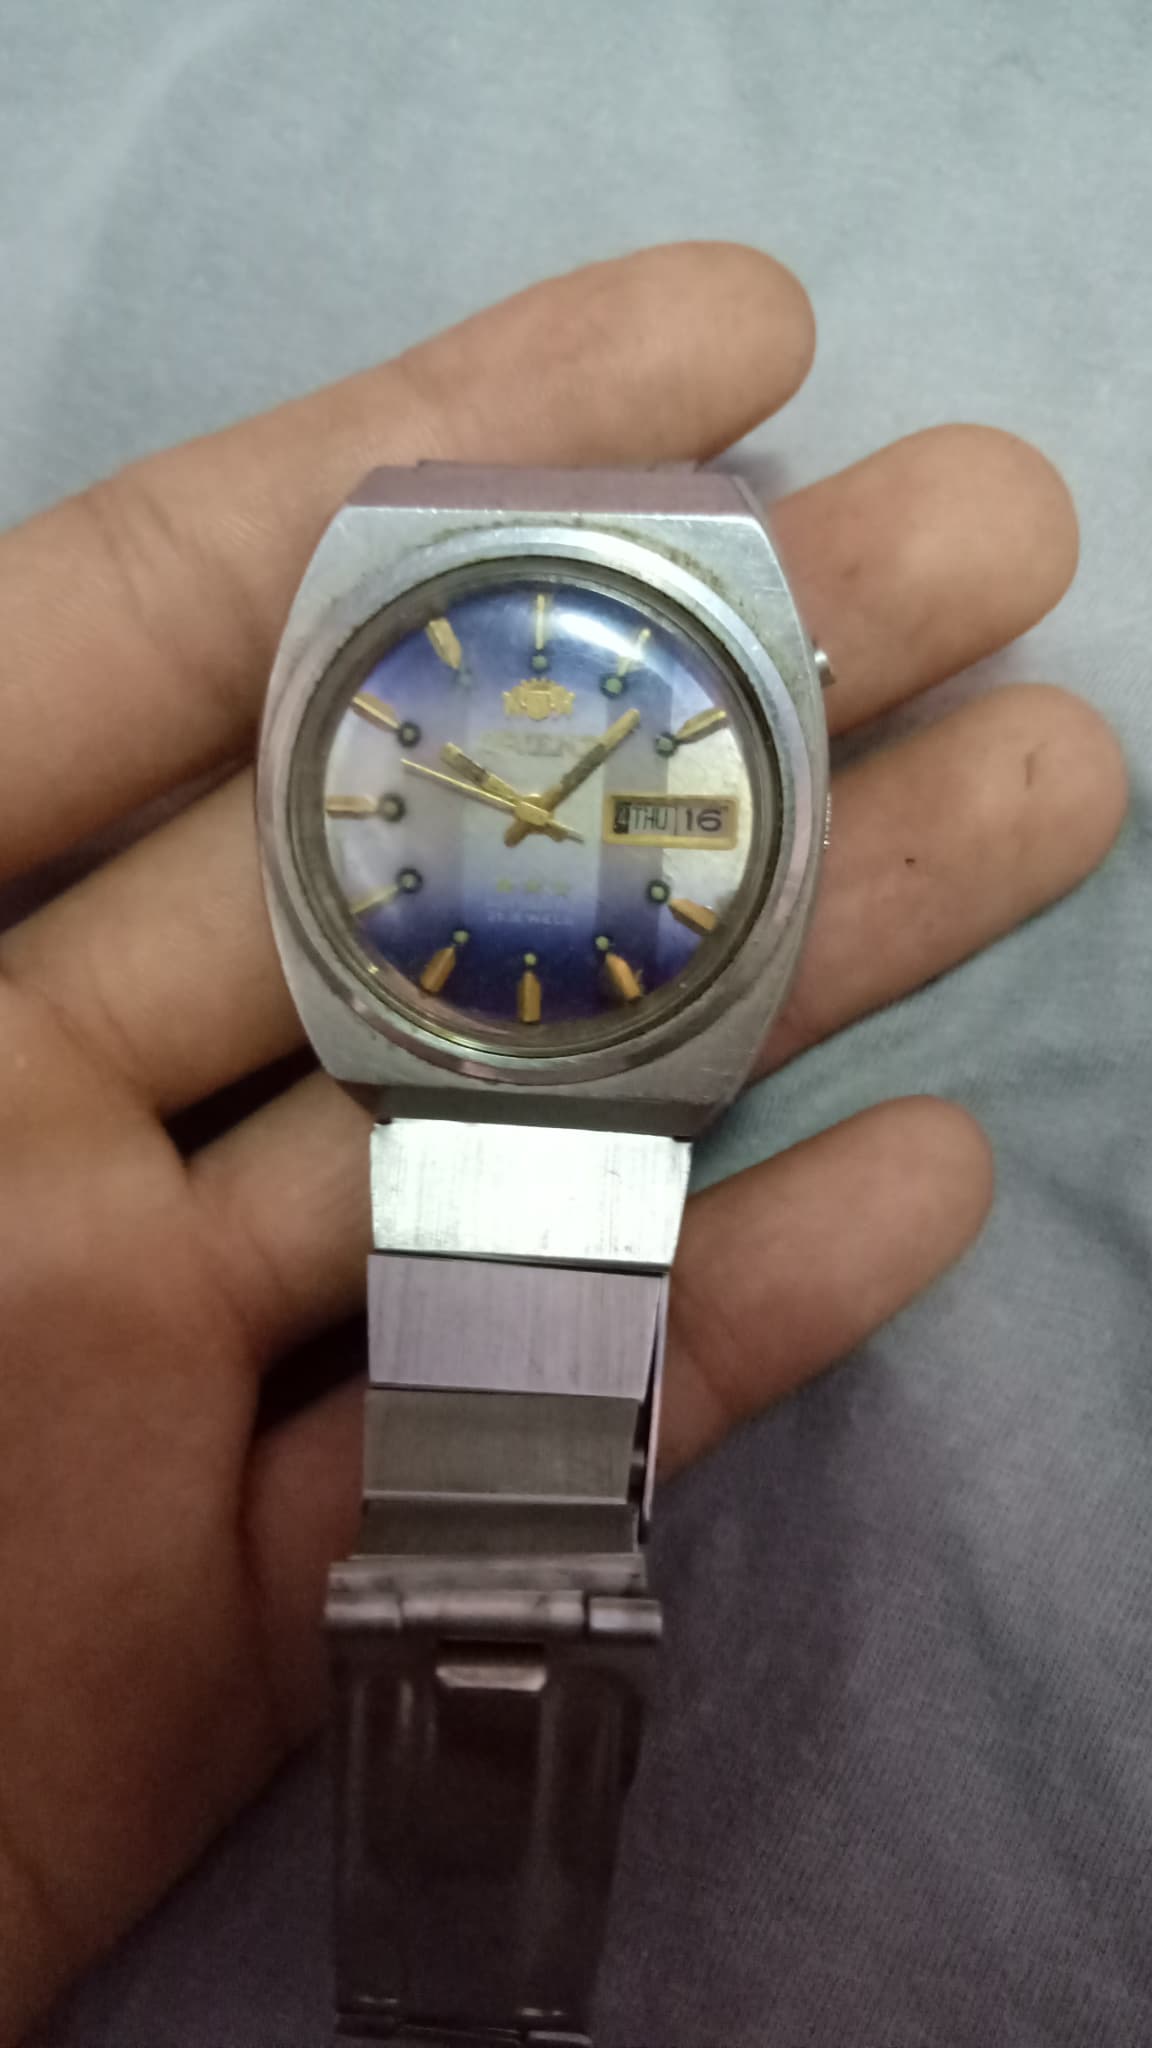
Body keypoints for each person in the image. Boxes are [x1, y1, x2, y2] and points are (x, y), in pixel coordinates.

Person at [0, 241, 1126, 2044]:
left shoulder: (470, 714)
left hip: (568, 1046)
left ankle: (462, 1986)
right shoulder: (450, 745)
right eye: (495, 792)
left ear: (791, 743)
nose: (532, 815)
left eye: (565, 797)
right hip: (451, 1045)